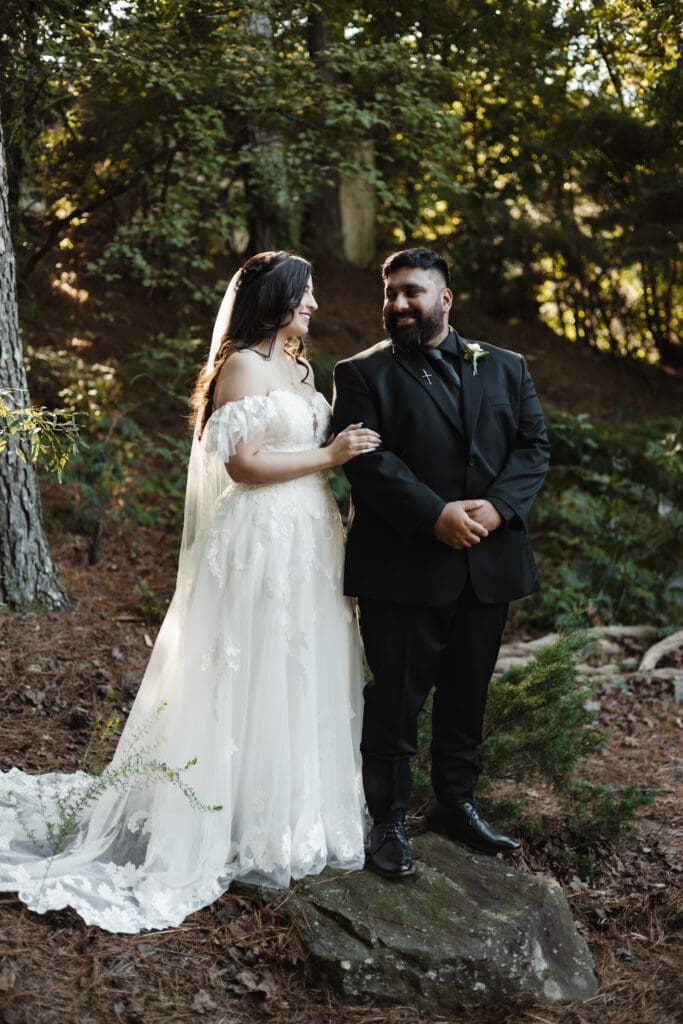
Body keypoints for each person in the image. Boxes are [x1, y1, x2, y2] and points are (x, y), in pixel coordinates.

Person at [0, 251, 380, 931]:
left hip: (307, 537)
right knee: (252, 662)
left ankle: (285, 816)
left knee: (298, 665)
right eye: (305, 294)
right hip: (259, 538)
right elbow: (241, 465)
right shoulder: (242, 365)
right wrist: (330, 457)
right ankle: (218, 816)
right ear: (274, 299)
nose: (315, 305)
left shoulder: (297, 367)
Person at [332, 248, 550, 879]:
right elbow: (368, 463)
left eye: (413, 293)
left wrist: (499, 508)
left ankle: (456, 803)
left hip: (487, 564)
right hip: (403, 567)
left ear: (445, 298)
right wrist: (436, 515)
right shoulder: (362, 373)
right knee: (396, 700)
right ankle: (389, 822)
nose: (399, 304)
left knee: (466, 695)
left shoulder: (506, 367)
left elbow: (533, 447)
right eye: (392, 292)